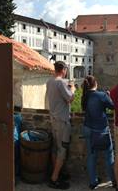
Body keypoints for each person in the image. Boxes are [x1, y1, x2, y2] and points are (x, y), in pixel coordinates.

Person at [46, 61, 75, 189]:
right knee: (62, 150)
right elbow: (70, 98)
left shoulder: (49, 82)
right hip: (62, 121)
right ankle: (54, 179)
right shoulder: (61, 82)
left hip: (53, 119)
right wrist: (72, 88)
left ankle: (56, 173)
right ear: (63, 69)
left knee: (56, 148)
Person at [82, 76, 115, 190]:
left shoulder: (85, 96)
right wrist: (108, 95)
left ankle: (93, 182)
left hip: (87, 128)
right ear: (96, 83)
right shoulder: (101, 95)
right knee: (108, 155)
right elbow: (112, 106)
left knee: (91, 156)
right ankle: (114, 180)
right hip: (100, 129)